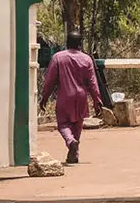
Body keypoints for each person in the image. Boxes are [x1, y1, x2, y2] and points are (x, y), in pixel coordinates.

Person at [40, 31, 103, 164]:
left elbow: (50, 80)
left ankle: (70, 141)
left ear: (67, 43)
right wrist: (97, 101)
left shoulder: (58, 57)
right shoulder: (87, 59)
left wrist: (44, 97)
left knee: (63, 123)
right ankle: (74, 153)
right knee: (77, 123)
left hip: (65, 95)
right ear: (80, 44)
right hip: (81, 96)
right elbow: (92, 82)